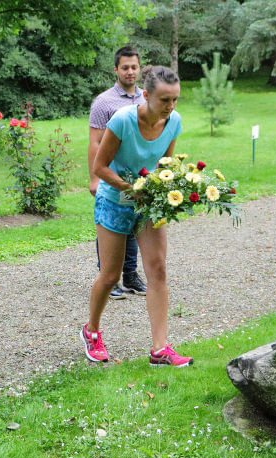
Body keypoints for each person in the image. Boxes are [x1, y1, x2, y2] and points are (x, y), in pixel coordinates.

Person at [82, 65, 193, 367]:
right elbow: (100, 168)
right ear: (146, 96)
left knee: (157, 269)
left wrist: (169, 189)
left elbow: (164, 163)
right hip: (115, 199)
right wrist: (131, 188)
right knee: (110, 275)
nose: (170, 107)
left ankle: (160, 348)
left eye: (175, 100)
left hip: (148, 203)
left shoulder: (174, 121)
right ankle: (91, 332)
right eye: (164, 101)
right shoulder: (123, 120)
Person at [89, 46, 148, 300]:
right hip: (112, 175)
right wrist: (94, 178)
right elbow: (94, 142)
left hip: (140, 175)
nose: (130, 71)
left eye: (134, 67)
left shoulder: (147, 98)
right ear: (116, 70)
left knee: (134, 222)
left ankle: (130, 275)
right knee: (111, 223)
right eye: (125, 67)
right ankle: (107, 276)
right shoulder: (104, 102)